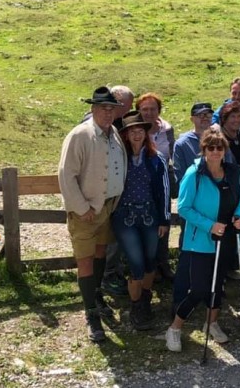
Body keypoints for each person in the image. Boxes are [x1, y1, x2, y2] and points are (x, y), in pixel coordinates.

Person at [166, 130, 240, 352]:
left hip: (226, 238)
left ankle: (211, 323)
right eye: (210, 147)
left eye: (219, 147)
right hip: (200, 241)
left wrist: (239, 216)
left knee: (217, 286)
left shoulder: (232, 172)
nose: (215, 151)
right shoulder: (194, 174)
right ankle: (174, 328)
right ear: (204, 149)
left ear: (224, 150)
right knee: (200, 289)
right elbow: (183, 208)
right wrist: (210, 225)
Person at [58, 86, 126, 342]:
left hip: (107, 208)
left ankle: (95, 295)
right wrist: (81, 207)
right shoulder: (80, 135)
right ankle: (91, 314)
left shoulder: (114, 134)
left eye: (112, 109)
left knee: (100, 254)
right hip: (85, 211)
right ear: (93, 109)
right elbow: (66, 175)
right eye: (103, 109)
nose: (108, 114)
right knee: (85, 260)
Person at [112, 112, 171, 330]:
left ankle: (145, 300)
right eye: (132, 131)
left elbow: (164, 191)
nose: (136, 135)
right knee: (136, 264)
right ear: (126, 135)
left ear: (145, 133)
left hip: (150, 216)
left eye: (140, 130)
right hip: (124, 217)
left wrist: (164, 219)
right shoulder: (119, 158)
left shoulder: (156, 159)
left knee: (149, 261)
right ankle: (136, 305)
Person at [171, 102, 214, 314]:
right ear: (192, 118)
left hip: (215, 210)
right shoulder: (182, 144)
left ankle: (209, 297)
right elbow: (180, 178)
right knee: (188, 255)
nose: (204, 118)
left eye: (208, 114)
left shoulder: (217, 139)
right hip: (192, 209)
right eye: (200, 115)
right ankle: (179, 301)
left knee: (211, 256)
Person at [99, 85, 135, 298]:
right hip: (103, 193)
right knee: (106, 238)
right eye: (126, 106)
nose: (127, 110)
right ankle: (106, 276)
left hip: (116, 191)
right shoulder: (98, 124)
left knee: (114, 236)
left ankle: (112, 273)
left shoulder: (116, 124)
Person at [136, 92, 175, 280]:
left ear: (159, 110)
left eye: (153, 109)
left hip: (162, 182)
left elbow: (173, 155)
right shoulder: (135, 131)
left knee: (163, 223)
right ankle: (147, 268)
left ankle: (163, 264)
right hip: (141, 184)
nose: (149, 113)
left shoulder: (167, 129)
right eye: (144, 109)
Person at [217, 100, 240, 166]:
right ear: (225, 118)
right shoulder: (218, 137)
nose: (236, 120)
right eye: (233, 116)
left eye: (239, 116)